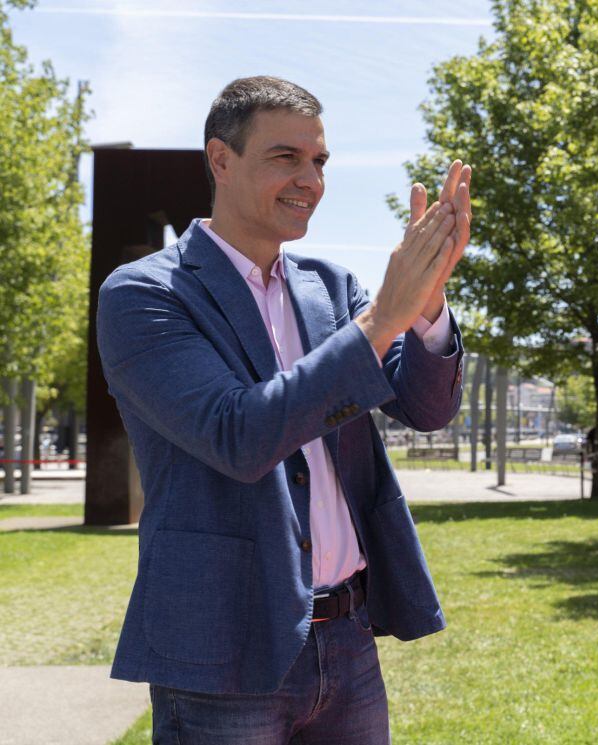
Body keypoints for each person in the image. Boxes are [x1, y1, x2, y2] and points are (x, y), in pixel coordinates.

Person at [96, 76, 471, 743]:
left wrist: (427, 308)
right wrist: (384, 317)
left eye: (319, 161)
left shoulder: (332, 288)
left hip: (349, 641)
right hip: (222, 652)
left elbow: (426, 406)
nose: (310, 179)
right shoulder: (145, 295)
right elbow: (240, 433)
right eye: (285, 157)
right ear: (221, 159)